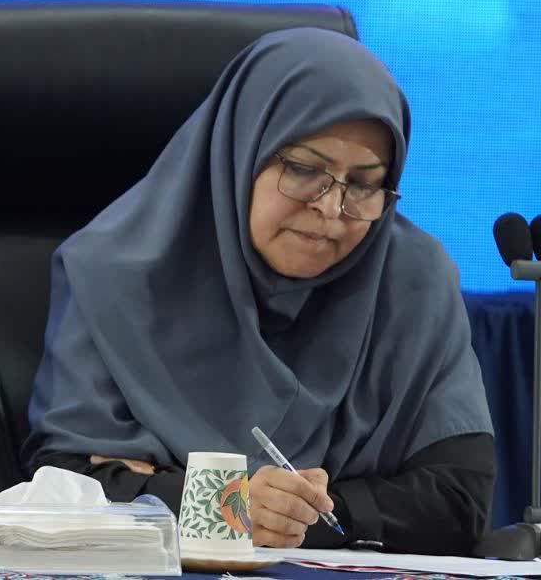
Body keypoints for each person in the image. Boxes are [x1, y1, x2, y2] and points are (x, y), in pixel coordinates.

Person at [25, 27, 494, 555]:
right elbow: (67, 481)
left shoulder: (414, 281)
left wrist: (275, 514)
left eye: (364, 184)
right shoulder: (111, 273)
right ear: (241, 151)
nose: (331, 208)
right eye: (304, 169)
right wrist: (237, 508)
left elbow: (458, 501)